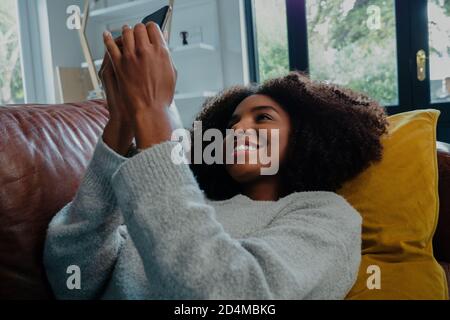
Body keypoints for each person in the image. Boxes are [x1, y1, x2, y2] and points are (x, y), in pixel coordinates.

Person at [43, 22, 388, 299]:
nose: (238, 130)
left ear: (308, 137)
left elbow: (227, 295)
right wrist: (121, 124)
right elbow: (73, 281)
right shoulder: (180, 201)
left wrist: (156, 113)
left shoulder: (325, 214)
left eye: (263, 118)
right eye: (231, 123)